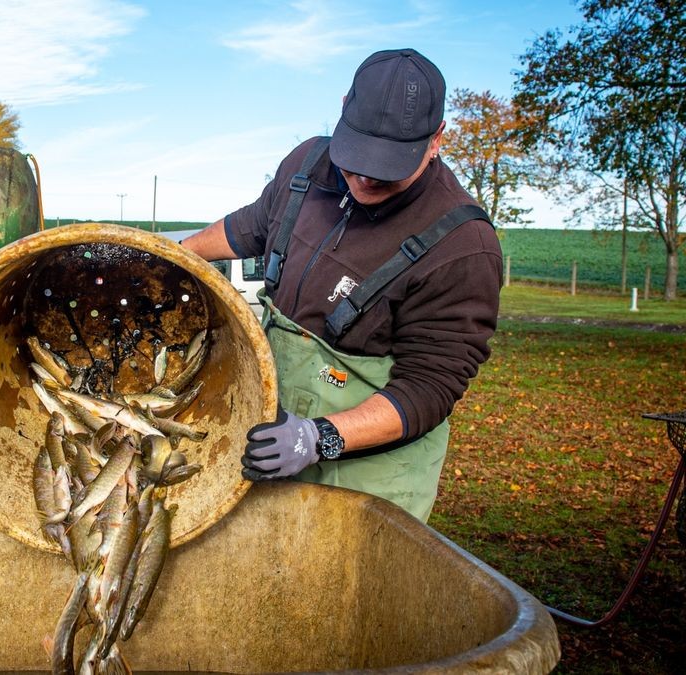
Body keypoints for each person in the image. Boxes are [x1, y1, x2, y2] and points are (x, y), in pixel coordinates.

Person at [182, 48, 501, 521]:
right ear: (343, 108)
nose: (366, 176)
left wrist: (319, 437)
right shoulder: (309, 163)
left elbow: (429, 387)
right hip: (276, 428)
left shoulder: (463, 246)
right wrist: (169, 255)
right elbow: (253, 224)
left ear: (436, 141)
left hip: (370, 473)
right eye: (356, 158)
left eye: (388, 165)